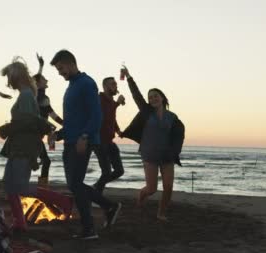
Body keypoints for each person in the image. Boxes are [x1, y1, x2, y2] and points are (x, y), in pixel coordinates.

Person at [50, 50, 122, 239]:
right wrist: (58, 134)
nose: (60, 73)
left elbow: (96, 114)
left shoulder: (87, 83)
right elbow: (73, 119)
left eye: (61, 68)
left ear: (71, 64)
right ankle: (108, 207)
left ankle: (90, 227)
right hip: (70, 141)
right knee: (74, 185)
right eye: (58, 70)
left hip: (82, 142)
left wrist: (85, 137)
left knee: (75, 184)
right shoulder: (71, 86)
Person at [0, 59, 73, 232]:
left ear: (16, 76)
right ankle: (20, 222)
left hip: (23, 147)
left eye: (9, 77)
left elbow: (28, 124)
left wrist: (6, 129)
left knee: (20, 186)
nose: (8, 82)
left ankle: (63, 201)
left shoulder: (25, 95)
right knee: (9, 185)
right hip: (18, 145)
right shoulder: (27, 94)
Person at [120, 66, 185, 222]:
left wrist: (175, 151)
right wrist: (129, 77)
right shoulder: (146, 112)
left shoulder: (172, 117)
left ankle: (161, 213)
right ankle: (140, 198)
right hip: (150, 154)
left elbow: (179, 134)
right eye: (150, 97)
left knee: (168, 188)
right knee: (151, 189)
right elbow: (136, 95)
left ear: (162, 98)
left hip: (167, 155)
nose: (152, 99)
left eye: (155, 96)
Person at [33, 53, 63, 186]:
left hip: (35, 135)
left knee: (40, 161)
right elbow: (52, 115)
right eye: (44, 79)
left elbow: (52, 115)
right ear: (39, 83)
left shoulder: (40, 96)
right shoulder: (38, 96)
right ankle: (42, 188)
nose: (47, 81)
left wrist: (41, 66)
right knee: (45, 161)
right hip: (33, 135)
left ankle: (41, 187)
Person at [93, 77, 126, 194]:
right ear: (105, 86)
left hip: (109, 141)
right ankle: (96, 195)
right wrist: (117, 103)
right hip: (99, 142)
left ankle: (96, 187)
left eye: (116, 84)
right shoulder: (99, 99)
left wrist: (118, 131)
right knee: (106, 172)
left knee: (119, 171)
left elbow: (111, 118)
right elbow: (104, 115)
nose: (115, 86)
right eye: (112, 84)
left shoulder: (111, 102)